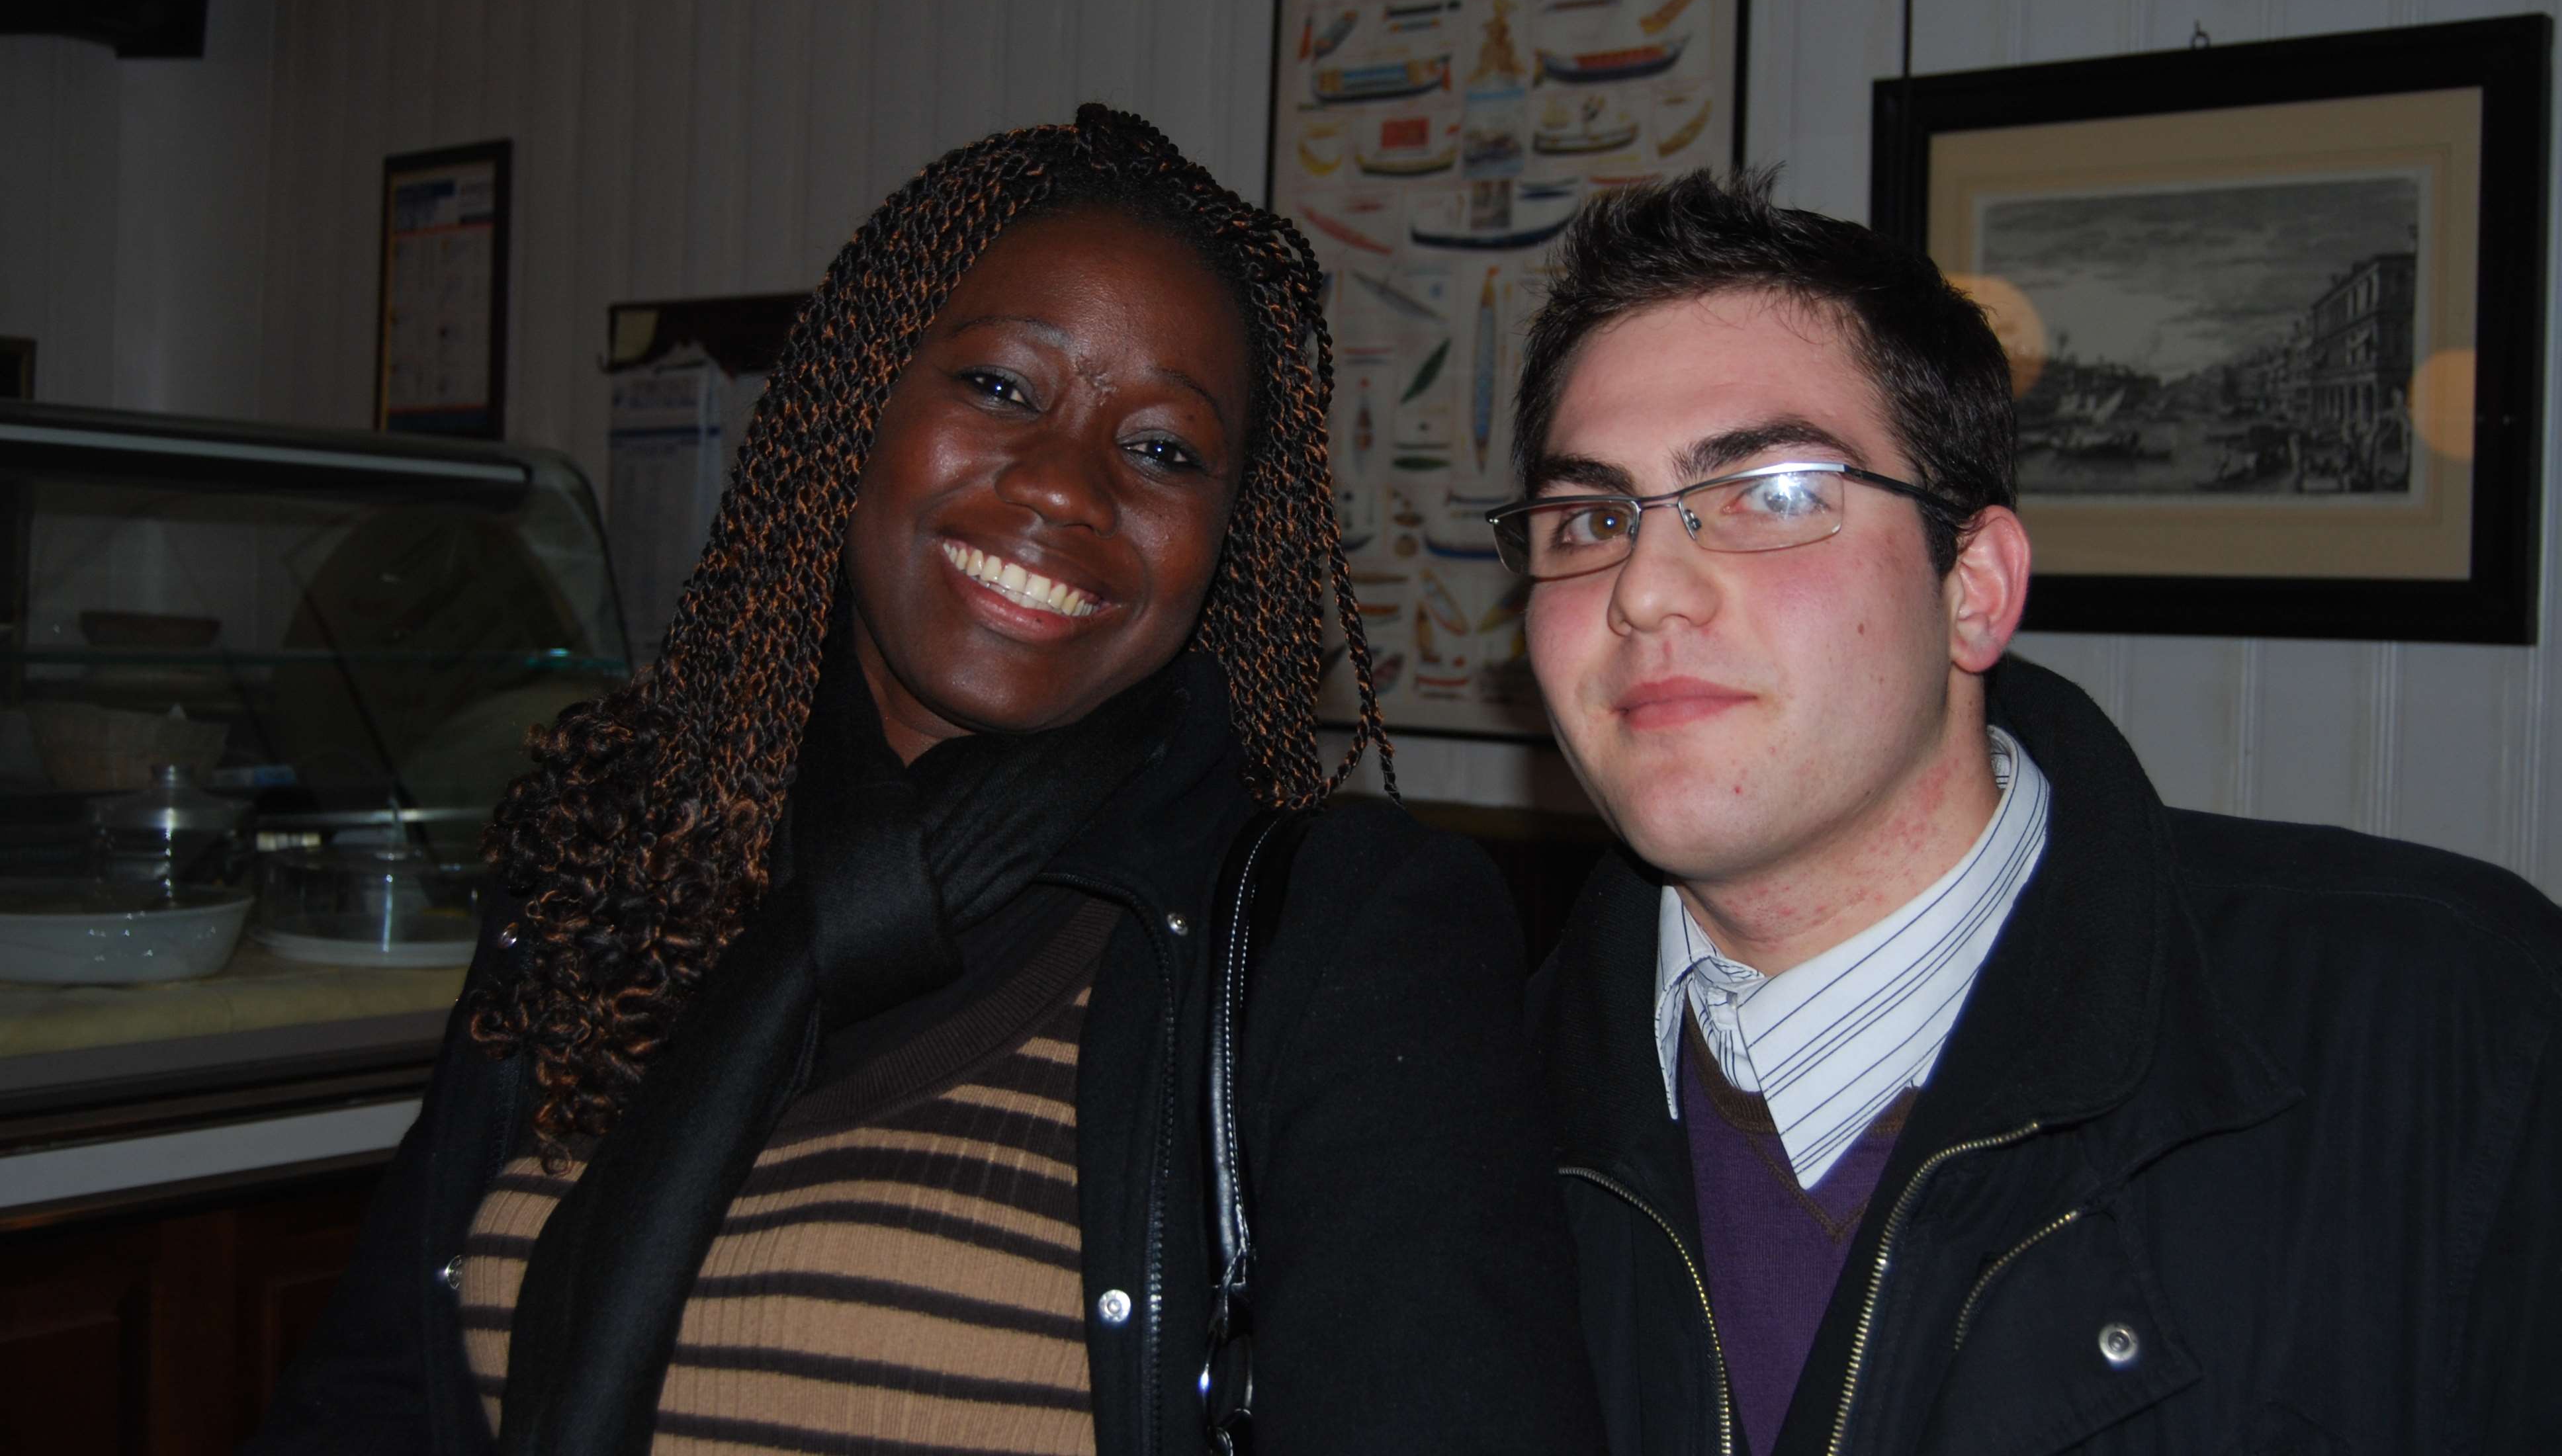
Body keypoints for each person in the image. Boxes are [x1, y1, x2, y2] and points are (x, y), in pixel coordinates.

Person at [249, 107, 1603, 1456]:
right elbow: (370, 1399)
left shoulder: (1346, 940)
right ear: (859, 406)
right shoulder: (615, 856)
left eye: (1163, 450)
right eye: (1002, 388)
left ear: (1227, 537)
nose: (1065, 487)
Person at [1502, 169, 2562, 1455]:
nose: (1644, 589)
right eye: (1590, 518)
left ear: (1974, 590)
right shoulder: (1455, 1115)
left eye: (1772, 494)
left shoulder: (2453, 1032)